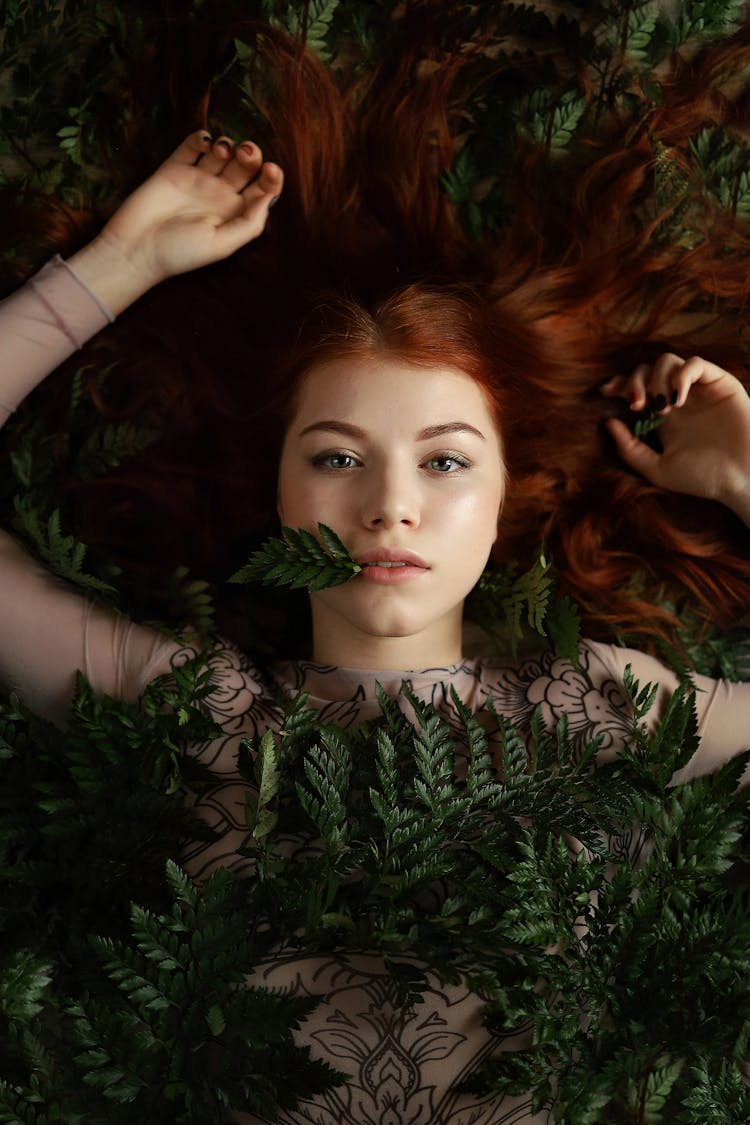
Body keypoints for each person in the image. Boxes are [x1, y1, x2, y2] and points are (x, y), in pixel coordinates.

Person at [1, 122, 750, 1123]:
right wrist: (116, 267)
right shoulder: (188, 705)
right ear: (277, 490)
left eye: (444, 462)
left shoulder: (594, 707)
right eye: (336, 457)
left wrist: (745, 480)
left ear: (506, 501)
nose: (389, 506)